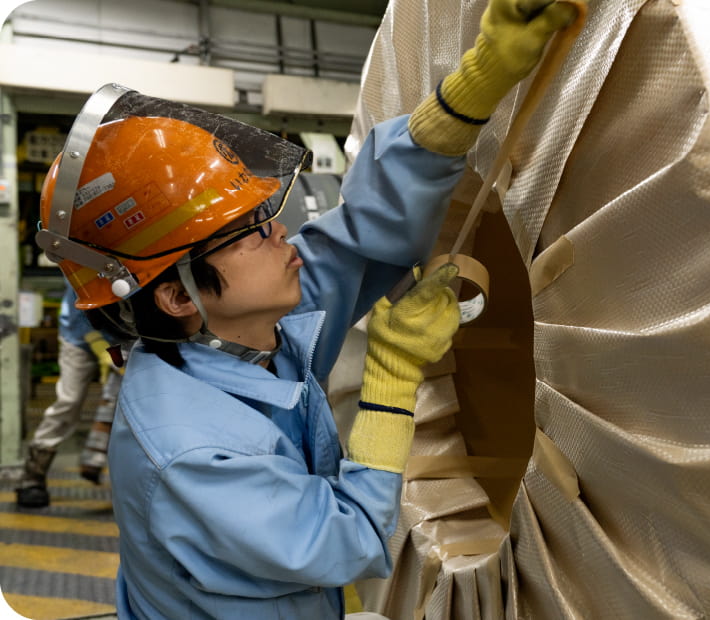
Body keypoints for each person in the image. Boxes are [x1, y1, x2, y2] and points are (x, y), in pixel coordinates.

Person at [32, 0, 579, 617]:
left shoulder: (251, 331)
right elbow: (348, 540)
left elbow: (366, 231)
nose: (284, 236)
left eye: (267, 216)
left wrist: (475, 86)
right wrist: (392, 378)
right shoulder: (191, 450)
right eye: (249, 233)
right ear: (180, 295)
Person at [15, 285, 127, 508]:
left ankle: (100, 465)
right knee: (69, 401)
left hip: (122, 337)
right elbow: (82, 310)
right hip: (79, 337)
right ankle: (32, 478)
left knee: (127, 405)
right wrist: (98, 343)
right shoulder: (82, 258)